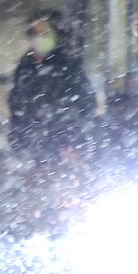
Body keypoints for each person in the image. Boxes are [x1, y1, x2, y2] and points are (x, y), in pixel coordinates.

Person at [7, 10, 96, 166]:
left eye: (45, 34)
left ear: (56, 35)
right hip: (31, 154)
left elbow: (84, 105)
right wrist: (19, 145)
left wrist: (70, 142)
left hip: (62, 153)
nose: (39, 39)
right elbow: (17, 109)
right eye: (35, 33)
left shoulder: (69, 68)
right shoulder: (24, 68)